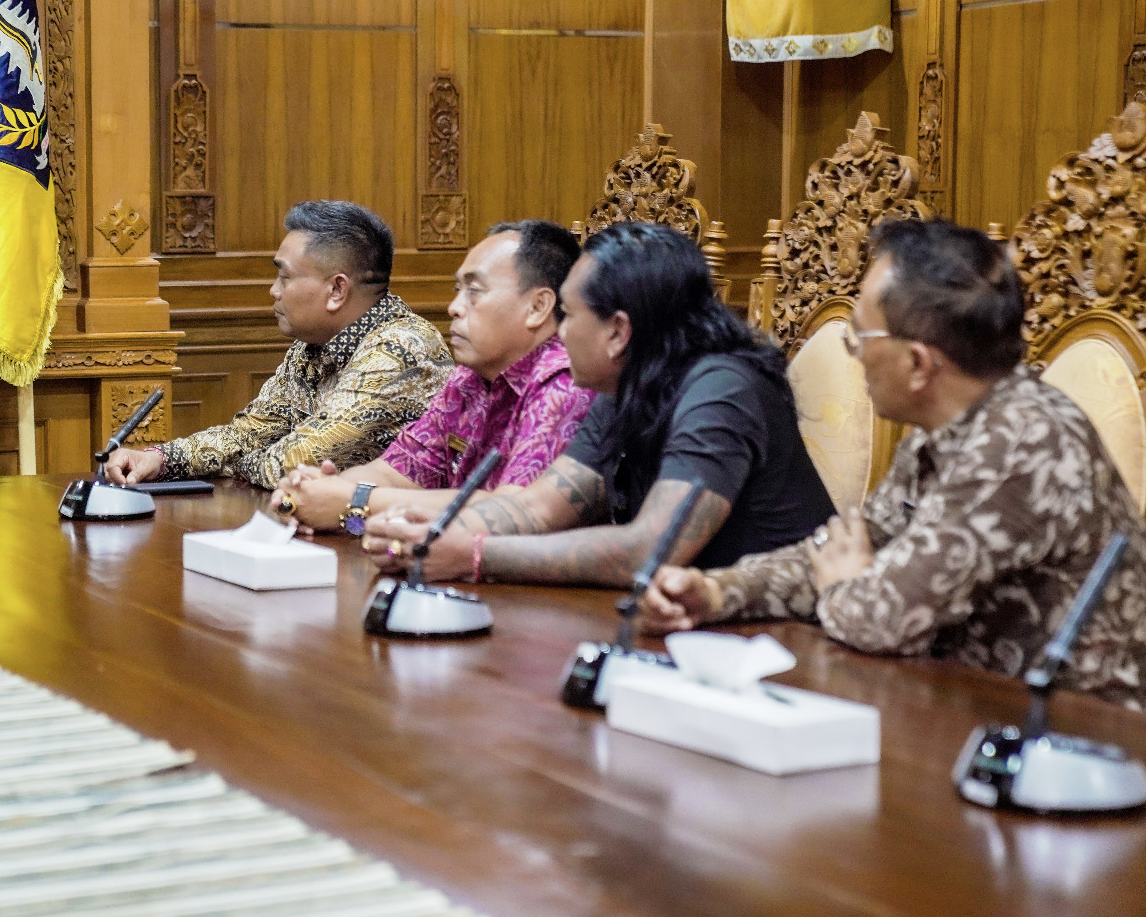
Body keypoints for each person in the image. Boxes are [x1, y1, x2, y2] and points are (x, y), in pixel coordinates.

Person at [640, 219, 1146, 709]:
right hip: (964, 703)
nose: (855, 354)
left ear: (919, 364)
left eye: (860, 338)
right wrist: (717, 592)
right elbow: (840, 552)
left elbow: (880, 619)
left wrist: (846, 585)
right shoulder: (941, 430)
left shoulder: (1022, 442)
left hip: (1077, 731)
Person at [363, 222, 833, 584]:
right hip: (686, 620)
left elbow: (650, 549)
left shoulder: (722, 391)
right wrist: (424, 525)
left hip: (783, 639)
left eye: (568, 315)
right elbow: (539, 509)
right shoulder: (629, 381)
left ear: (618, 331)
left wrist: (474, 554)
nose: (560, 332)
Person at [269, 220, 593, 533]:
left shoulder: (566, 382)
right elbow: (396, 471)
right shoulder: (468, 379)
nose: (454, 307)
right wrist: (315, 492)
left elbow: (511, 511)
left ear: (538, 307)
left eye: (474, 291)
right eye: (458, 290)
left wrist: (355, 500)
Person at [105, 200, 451, 491]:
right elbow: (252, 432)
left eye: (285, 277)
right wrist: (162, 458)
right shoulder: (313, 344)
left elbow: (289, 465)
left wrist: (233, 462)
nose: (273, 290)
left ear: (337, 290)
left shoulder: (402, 349)